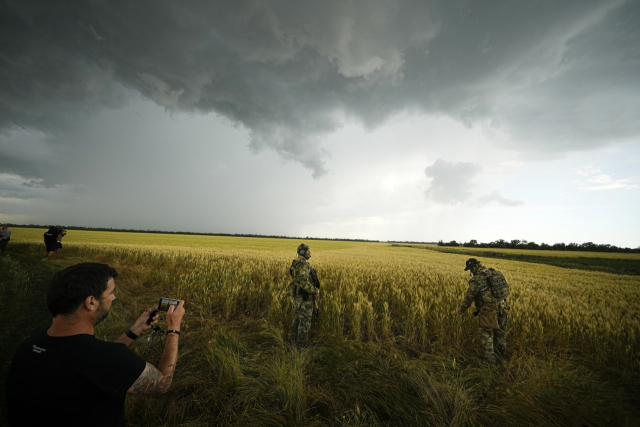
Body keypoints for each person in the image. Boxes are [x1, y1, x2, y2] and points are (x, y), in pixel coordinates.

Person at [6, 262, 186, 426]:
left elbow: (98, 362)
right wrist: (174, 328)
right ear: (91, 302)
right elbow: (161, 383)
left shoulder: (30, 346)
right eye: (110, 293)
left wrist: (135, 330)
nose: (113, 298)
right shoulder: (103, 359)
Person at [456, 258, 508, 366]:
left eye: (470, 269)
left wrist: (462, 310)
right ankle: (502, 357)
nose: (471, 272)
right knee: (501, 334)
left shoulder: (478, 279)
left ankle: (489, 363)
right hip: (503, 308)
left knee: (486, 335)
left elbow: (469, 297)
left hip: (488, 311)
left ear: (473, 267)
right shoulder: (496, 272)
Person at [287, 243, 320, 348]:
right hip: (304, 299)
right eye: (307, 250)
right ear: (302, 252)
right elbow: (304, 283)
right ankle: (301, 346)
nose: (309, 252)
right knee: (304, 322)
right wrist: (315, 291)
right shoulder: (302, 265)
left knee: (297, 319)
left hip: (298, 298)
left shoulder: (296, 263)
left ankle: (290, 340)